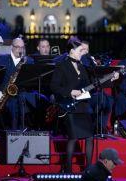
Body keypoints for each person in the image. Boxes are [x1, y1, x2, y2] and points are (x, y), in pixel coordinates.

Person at [50, 37, 95, 173]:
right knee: (73, 137)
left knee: (89, 137)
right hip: (69, 106)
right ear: (71, 51)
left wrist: (109, 78)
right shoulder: (61, 65)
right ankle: (68, 170)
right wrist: (70, 92)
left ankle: (88, 169)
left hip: (83, 105)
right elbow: (54, 86)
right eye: (80, 50)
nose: (83, 52)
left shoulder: (82, 66)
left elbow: (88, 85)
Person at [0, 37, 35, 129]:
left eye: (22, 47)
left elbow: (32, 81)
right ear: (11, 47)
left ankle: (24, 130)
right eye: (17, 47)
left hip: (22, 93)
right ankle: (13, 133)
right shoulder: (1, 60)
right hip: (6, 95)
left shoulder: (29, 61)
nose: (20, 50)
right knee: (13, 104)